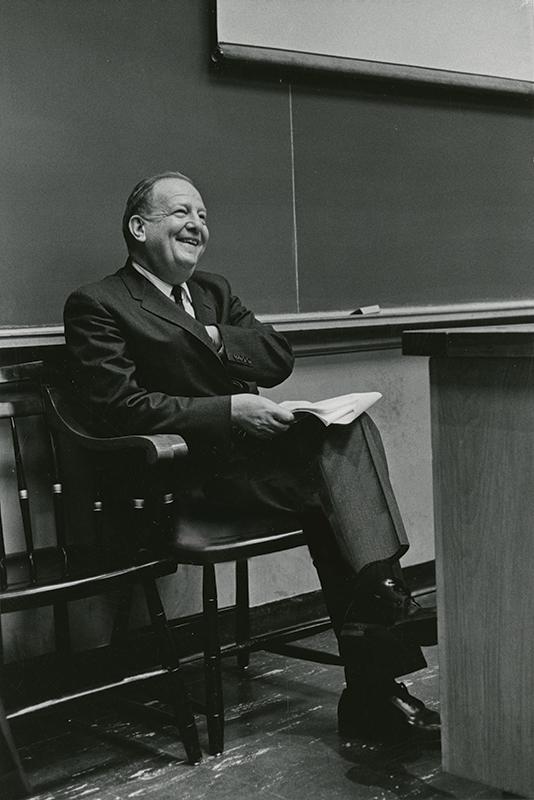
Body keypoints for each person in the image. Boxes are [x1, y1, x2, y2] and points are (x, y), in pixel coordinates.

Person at [64, 171, 439, 741]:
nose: (197, 225)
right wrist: (229, 411)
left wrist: (214, 337)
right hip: (182, 477)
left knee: (346, 432)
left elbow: (275, 358)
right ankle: (380, 637)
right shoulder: (99, 303)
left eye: (204, 216)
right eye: (181, 214)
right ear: (139, 228)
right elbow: (121, 408)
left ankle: (374, 665)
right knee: (334, 500)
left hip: (251, 469)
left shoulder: (213, 291)